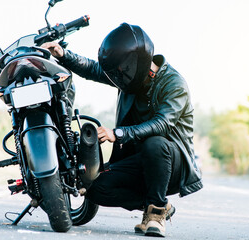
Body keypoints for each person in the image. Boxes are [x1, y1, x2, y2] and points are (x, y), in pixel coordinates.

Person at [41, 23, 203, 237]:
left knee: (155, 142)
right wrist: (62, 55)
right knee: (94, 187)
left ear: (134, 65)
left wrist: (116, 134)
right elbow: (91, 68)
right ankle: (158, 204)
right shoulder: (128, 77)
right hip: (138, 161)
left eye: (120, 71)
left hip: (171, 164)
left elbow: (162, 124)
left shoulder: (174, 84)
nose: (115, 76)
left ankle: (155, 214)